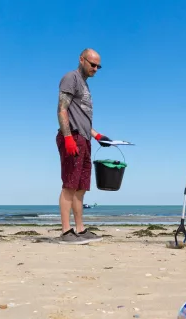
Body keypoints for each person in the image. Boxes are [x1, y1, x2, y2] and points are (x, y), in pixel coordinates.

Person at [56, 48, 113, 243]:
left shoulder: (86, 86)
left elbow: (81, 118)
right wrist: (67, 138)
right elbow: (62, 109)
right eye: (92, 64)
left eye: (98, 66)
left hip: (84, 139)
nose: (96, 68)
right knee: (69, 186)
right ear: (81, 60)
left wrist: (97, 136)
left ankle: (80, 229)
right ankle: (66, 231)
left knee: (81, 188)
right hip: (72, 138)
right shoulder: (70, 78)